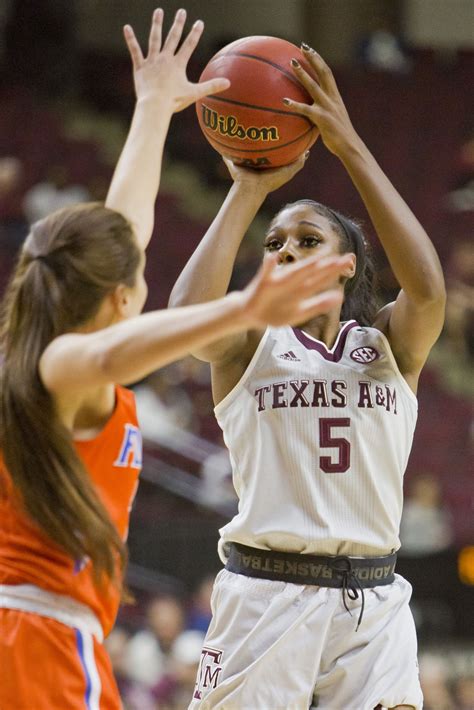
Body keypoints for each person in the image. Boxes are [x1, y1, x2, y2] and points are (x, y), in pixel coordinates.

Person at [0, 11, 352, 710]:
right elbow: (108, 348)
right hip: (33, 641)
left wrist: (154, 107)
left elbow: (128, 228)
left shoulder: (38, 344)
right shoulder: (60, 364)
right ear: (119, 298)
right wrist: (243, 310)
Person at [169, 45, 446, 710]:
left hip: (373, 602)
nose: (287, 248)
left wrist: (349, 145)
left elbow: (429, 289)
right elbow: (184, 317)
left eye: (308, 240)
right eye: (275, 244)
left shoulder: (386, 345)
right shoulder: (247, 346)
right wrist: (248, 188)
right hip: (266, 594)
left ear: (348, 264)